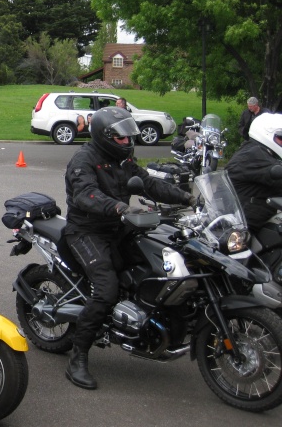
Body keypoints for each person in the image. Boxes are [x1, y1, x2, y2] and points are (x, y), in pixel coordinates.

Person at [63, 106, 195, 390]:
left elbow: (148, 184)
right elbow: (85, 194)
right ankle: (78, 357)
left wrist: (189, 198)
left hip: (119, 227)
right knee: (106, 289)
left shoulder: (123, 160)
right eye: (121, 138)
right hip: (87, 231)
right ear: (104, 136)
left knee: (160, 266)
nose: (127, 142)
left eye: (128, 138)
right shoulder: (83, 160)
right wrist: (119, 206)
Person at [226, 113, 282, 230]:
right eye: (281, 138)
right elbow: (276, 175)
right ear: (266, 134)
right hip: (241, 226)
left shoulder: (257, 150)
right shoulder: (254, 155)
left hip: (254, 219)